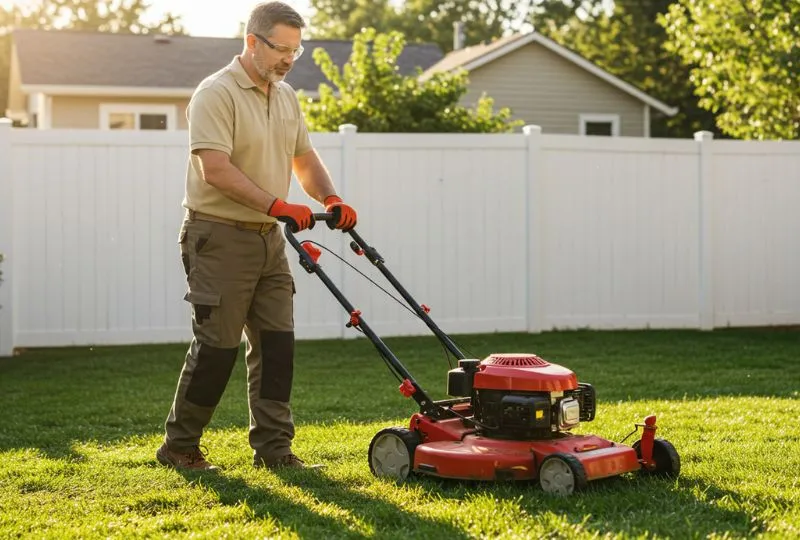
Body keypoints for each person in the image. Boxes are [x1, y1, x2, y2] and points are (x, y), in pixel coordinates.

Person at [156, 1, 357, 471]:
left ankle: (274, 449)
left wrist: (330, 199)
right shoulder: (216, 93)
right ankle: (180, 446)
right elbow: (214, 168)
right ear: (252, 42)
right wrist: (277, 205)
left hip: (269, 240)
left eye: (297, 50)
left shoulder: (284, 95)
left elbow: (303, 159)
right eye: (281, 49)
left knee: (276, 346)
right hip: (217, 237)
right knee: (217, 348)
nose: (289, 59)